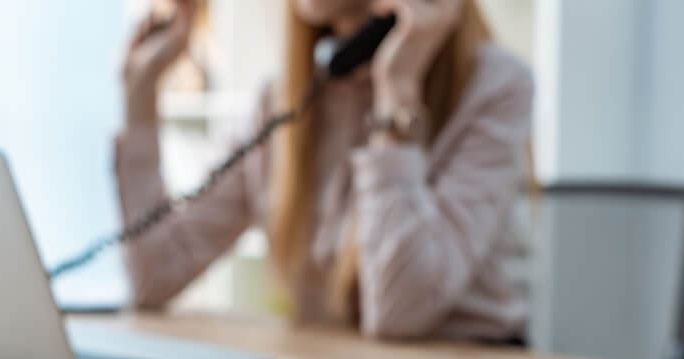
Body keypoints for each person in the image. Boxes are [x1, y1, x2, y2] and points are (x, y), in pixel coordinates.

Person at [116, 0, 533, 341]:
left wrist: (398, 93)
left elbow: (400, 314)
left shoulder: (495, 85)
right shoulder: (281, 101)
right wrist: (140, 96)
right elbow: (155, 276)